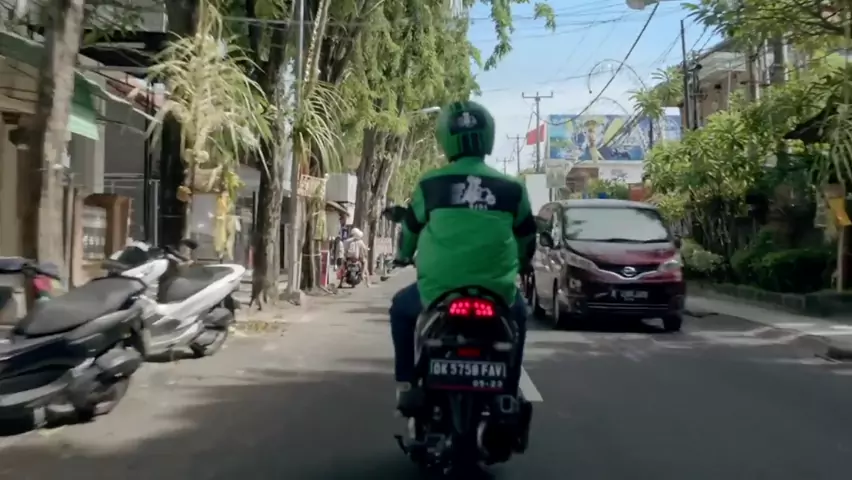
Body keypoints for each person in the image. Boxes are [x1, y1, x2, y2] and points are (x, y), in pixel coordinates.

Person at [389, 100, 537, 414]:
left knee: (401, 310)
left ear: (446, 138)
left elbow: (410, 229)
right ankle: (509, 389)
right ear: (489, 136)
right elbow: (527, 236)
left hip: (438, 292)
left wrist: (403, 255)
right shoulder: (512, 188)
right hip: (497, 293)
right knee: (520, 317)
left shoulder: (430, 184)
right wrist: (524, 263)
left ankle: (406, 383)